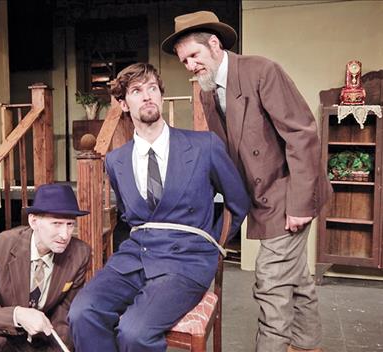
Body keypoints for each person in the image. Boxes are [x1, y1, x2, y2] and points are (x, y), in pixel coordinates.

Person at [162, 10, 333, 352]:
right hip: (261, 197)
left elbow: (302, 136)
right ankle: (307, 345)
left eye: (193, 56)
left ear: (214, 44)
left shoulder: (261, 71)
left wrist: (299, 205)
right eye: (184, 62)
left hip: (289, 192)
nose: (190, 67)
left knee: (270, 281)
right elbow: (223, 151)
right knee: (296, 279)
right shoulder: (207, 92)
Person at [68, 63, 250, 352]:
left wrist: (212, 242)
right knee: (82, 313)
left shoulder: (204, 146)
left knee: (134, 331)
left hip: (187, 261)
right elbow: (130, 216)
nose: (147, 96)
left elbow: (238, 202)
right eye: (137, 91)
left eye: (152, 88)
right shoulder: (116, 161)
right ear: (123, 104)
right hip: (135, 257)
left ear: (161, 96)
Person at [0, 183, 91, 352]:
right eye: (57, 224)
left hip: (41, 338)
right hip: (0, 333)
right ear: (33, 221)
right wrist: (17, 315)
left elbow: (64, 312)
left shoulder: (80, 253)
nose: (65, 235)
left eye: (70, 224)